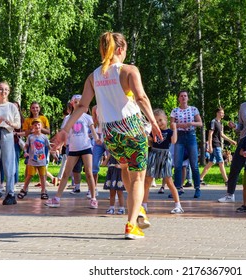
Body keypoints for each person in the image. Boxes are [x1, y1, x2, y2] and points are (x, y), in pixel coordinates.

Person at [51, 32, 162, 240]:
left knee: (126, 171)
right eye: (125, 49)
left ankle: (136, 210)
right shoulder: (129, 70)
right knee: (138, 176)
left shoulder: (94, 76)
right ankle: (131, 225)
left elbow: (83, 106)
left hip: (110, 133)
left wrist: (65, 129)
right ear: (120, 49)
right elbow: (141, 97)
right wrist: (154, 123)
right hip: (131, 129)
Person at [45, 94, 99, 209]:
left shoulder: (87, 117)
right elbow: (64, 134)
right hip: (73, 148)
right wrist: (58, 146)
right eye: (75, 102)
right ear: (72, 103)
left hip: (86, 147)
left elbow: (93, 130)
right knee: (65, 174)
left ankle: (93, 198)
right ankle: (57, 199)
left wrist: (97, 139)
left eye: (80, 102)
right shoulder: (67, 119)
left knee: (89, 173)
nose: (78, 104)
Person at [143, 109, 184, 214]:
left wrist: (174, 129)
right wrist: (145, 135)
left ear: (166, 119)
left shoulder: (169, 132)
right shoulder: (154, 131)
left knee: (169, 181)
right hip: (154, 155)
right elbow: (150, 143)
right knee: (147, 181)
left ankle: (178, 205)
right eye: (156, 121)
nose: (159, 123)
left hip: (165, 156)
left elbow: (174, 141)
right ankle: (144, 205)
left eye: (160, 120)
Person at [171, 90, 202, 199]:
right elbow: (172, 124)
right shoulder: (174, 111)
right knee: (178, 164)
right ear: (178, 98)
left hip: (191, 136)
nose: (183, 98)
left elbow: (200, 123)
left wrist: (190, 123)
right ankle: (177, 189)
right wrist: (179, 125)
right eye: (181, 96)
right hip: (179, 136)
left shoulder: (193, 109)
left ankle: (197, 188)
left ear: (188, 98)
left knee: (194, 164)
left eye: (185, 96)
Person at [200, 107, 237, 185]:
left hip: (218, 144)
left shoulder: (220, 123)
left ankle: (200, 179)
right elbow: (210, 134)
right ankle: (227, 181)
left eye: (223, 113)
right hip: (215, 144)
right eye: (221, 113)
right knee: (221, 162)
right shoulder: (213, 122)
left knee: (211, 162)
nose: (222, 114)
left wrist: (231, 141)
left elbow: (221, 134)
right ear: (217, 113)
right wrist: (209, 146)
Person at [17, 119, 51, 200]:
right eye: (35, 125)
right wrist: (25, 152)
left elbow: (48, 147)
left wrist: (54, 153)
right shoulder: (30, 137)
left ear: (41, 126)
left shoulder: (44, 137)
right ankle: (24, 189)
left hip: (41, 161)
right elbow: (26, 146)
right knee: (29, 175)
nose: (37, 126)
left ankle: (43, 191)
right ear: (32, 127)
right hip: (32, 160)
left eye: (38, 125)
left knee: (42, 176)